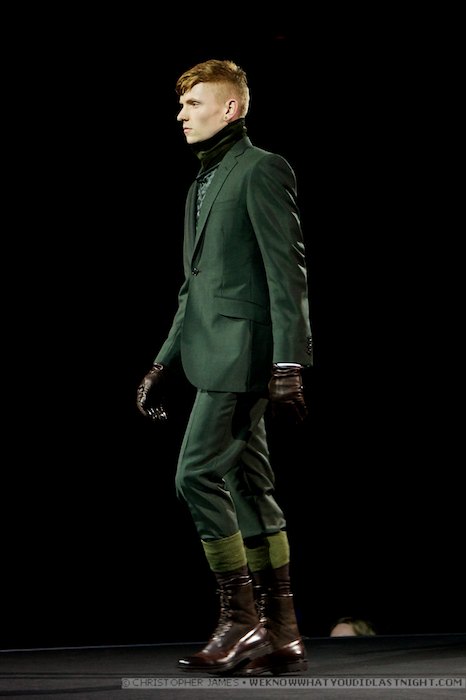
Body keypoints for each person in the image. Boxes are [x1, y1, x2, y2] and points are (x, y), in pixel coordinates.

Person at [136, 59, 313, 676]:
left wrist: (289, 362)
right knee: (249, 486)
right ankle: (283, 633)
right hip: (210, 352)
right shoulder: (200, 184)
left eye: (194, 104)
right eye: (182, 104)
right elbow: (193, 289)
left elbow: (287, 272)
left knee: (194, 475)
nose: (181, 115)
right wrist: (161, 363)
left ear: (230, 108)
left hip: (245, 355)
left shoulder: (262, 168)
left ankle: (240, 621)